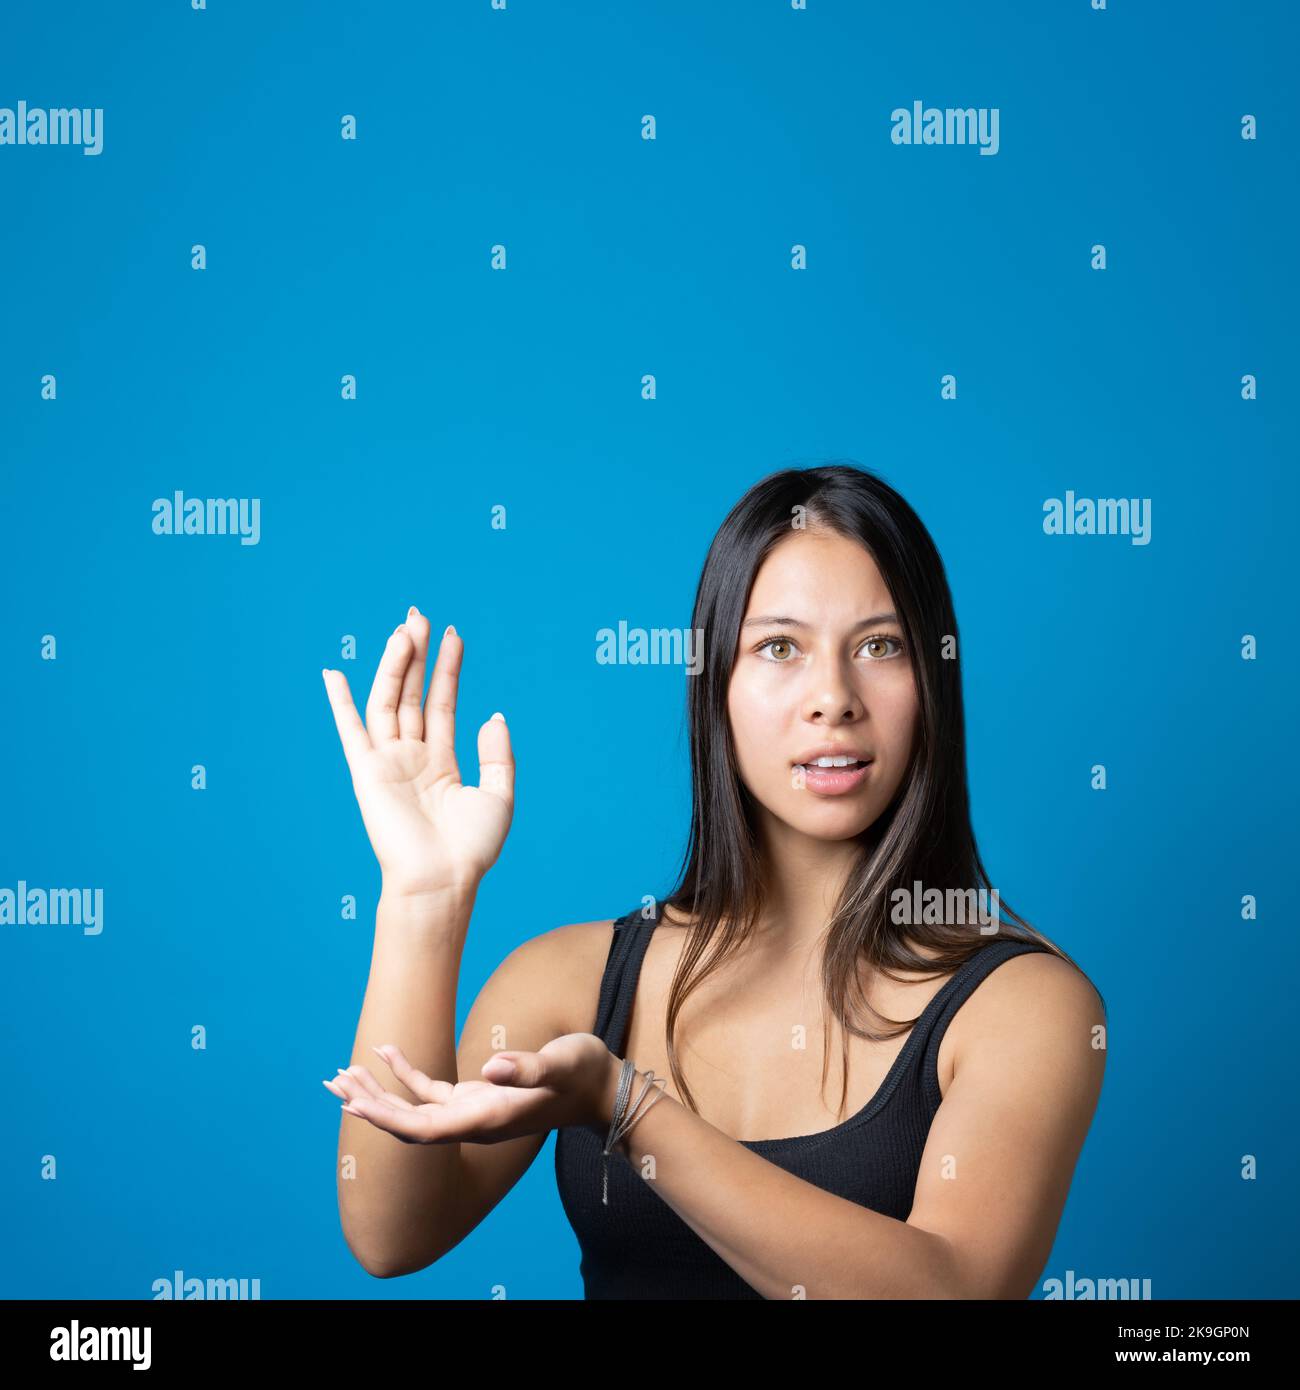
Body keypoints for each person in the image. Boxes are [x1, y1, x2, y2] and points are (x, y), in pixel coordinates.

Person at [320, 462, 1107, 1299]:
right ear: (715, 690)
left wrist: (626, 1104)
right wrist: (422, 896)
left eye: (880, 646)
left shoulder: (1026, 1008)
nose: (833, 698)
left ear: (933, 680)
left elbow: (954, 1291)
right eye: (778, 648)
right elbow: (390, 1232)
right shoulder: (572, 980)